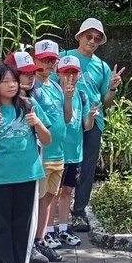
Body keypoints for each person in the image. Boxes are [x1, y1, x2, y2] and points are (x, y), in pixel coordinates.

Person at [0, 60, 51, 263]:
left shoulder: (29, 105)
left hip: (28, 174)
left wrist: (37, 123)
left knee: (22, 227)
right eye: (5, 81)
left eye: (13, 80)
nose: (11, 85)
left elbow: (47, 139)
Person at [64, 18, 123, 232]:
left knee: (87, 168)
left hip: (93, 120)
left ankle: (79, 212)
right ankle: (53, 214)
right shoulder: (64, 57)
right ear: (80, 36)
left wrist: (113, 88)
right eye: (89, 36)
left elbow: (106, 101)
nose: (92, 41)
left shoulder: (102, 67)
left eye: (97, 39)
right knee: (59, 164)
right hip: (66, 118)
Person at [32, 39, 75, 262]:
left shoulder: (57, 87)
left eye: (53, 60)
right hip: (42, 155)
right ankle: (32, 241)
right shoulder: (33, 87)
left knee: (49, 198)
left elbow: (67, 118)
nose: (49, 63)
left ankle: (41, 239)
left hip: (59, 154)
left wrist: (68, 98)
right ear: (35, 59)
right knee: (38, 199)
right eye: (45, 59)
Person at [52, 55, 95, 247]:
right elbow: (66, 119)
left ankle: (63, 228)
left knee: (67, 191)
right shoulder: (53, 94)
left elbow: (86, 126)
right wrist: (67, 98)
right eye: (66, 72)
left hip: (75, 153)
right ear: (58, 73)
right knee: (52, 193)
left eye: (74, 72)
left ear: (79, 74)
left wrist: (91, 117)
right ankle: (48, 230)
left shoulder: (82, 96)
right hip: (56, 152)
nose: (70, 76)